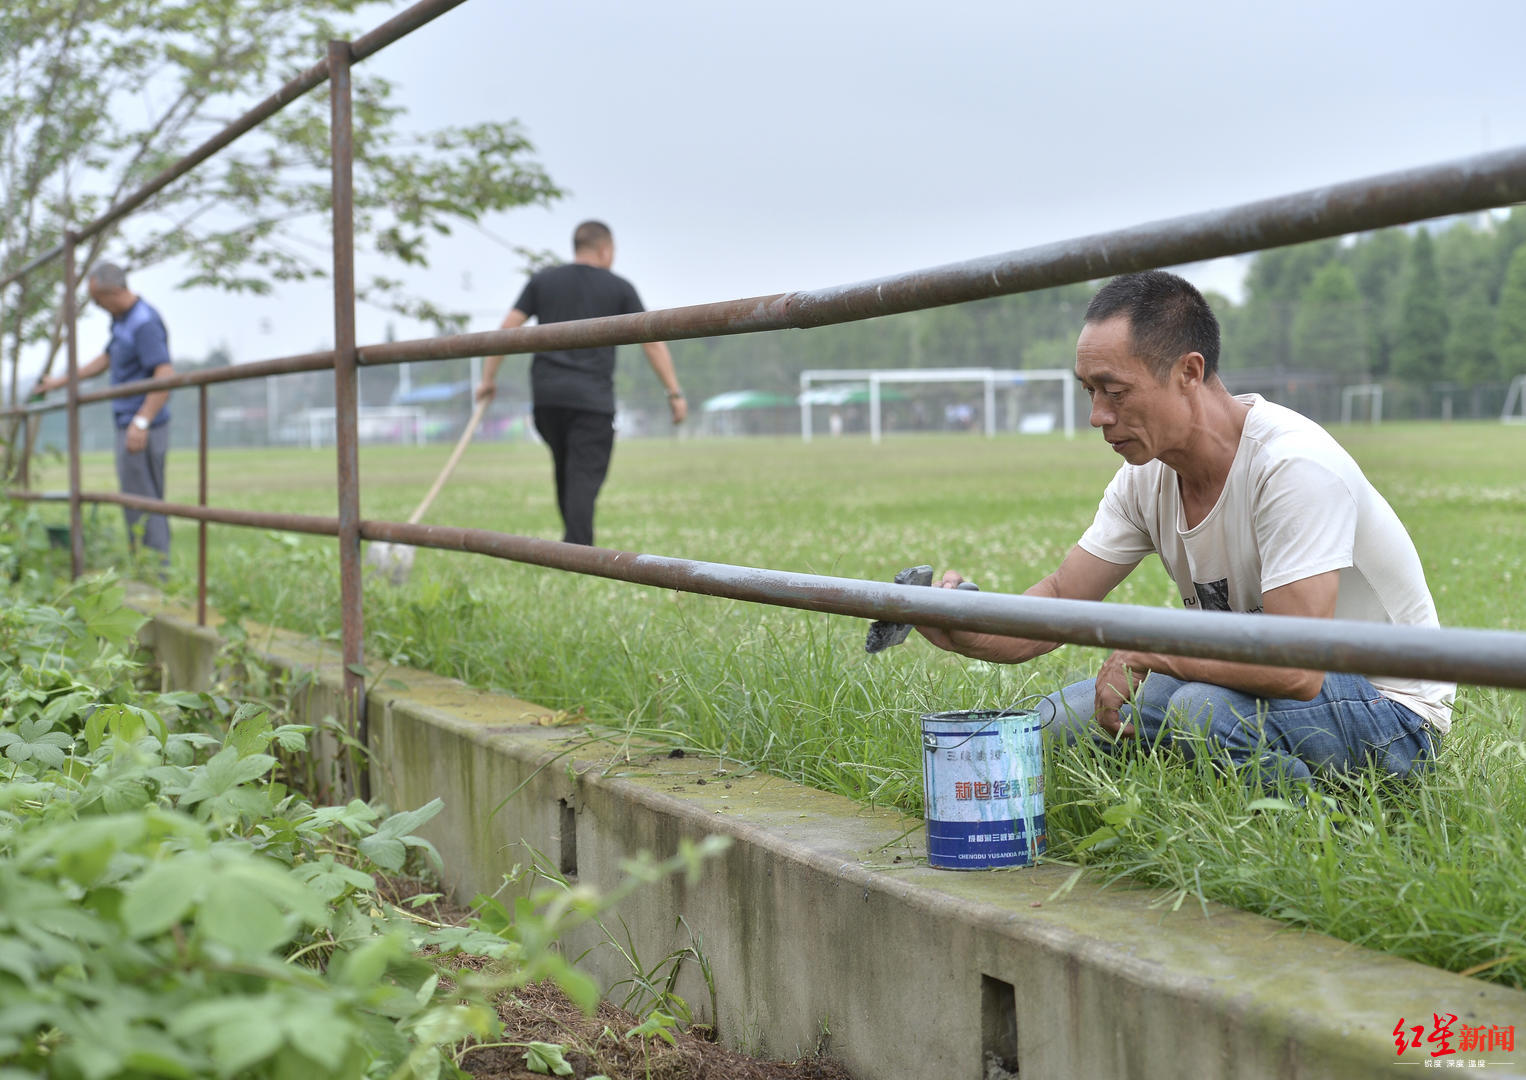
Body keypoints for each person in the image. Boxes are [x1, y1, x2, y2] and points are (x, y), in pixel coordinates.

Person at [918, 270, 1453, 787]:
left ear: (1189, 373)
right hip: (1248, 681)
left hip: (1392, 710)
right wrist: (967, 626)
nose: (1097, 416)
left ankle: (1324, 835)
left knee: (1202, 712)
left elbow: (1297, 669)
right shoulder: (1144, 476)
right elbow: (1061, 599)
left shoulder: (1292, 465)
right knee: (1055, 724)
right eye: (1089, 392)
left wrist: (1149, 648)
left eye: (1115, 392)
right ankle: (1217, 777)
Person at [475, 220, 686, 546]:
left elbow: (506, 329)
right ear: (605, 249)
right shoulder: (619, 287)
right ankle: (579, 553)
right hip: (591, 400)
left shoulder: (543, 281)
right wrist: (674, 392)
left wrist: (488, 379)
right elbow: (652, 340)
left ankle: (572, 548)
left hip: (547, 399)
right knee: (583, 477)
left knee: (568, 471)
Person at [36, 262, 173, 564]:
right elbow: (108, 357)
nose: (98, 307)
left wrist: (142, 420)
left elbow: (164, 373)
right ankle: (146, 567)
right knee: (135, 502)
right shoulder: (123, 321)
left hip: (142, 426)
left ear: (112, 291)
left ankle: (158, 575)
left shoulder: (143, 322)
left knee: (145, 502)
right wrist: (62, 381)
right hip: (129, 423)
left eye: (98, 300)